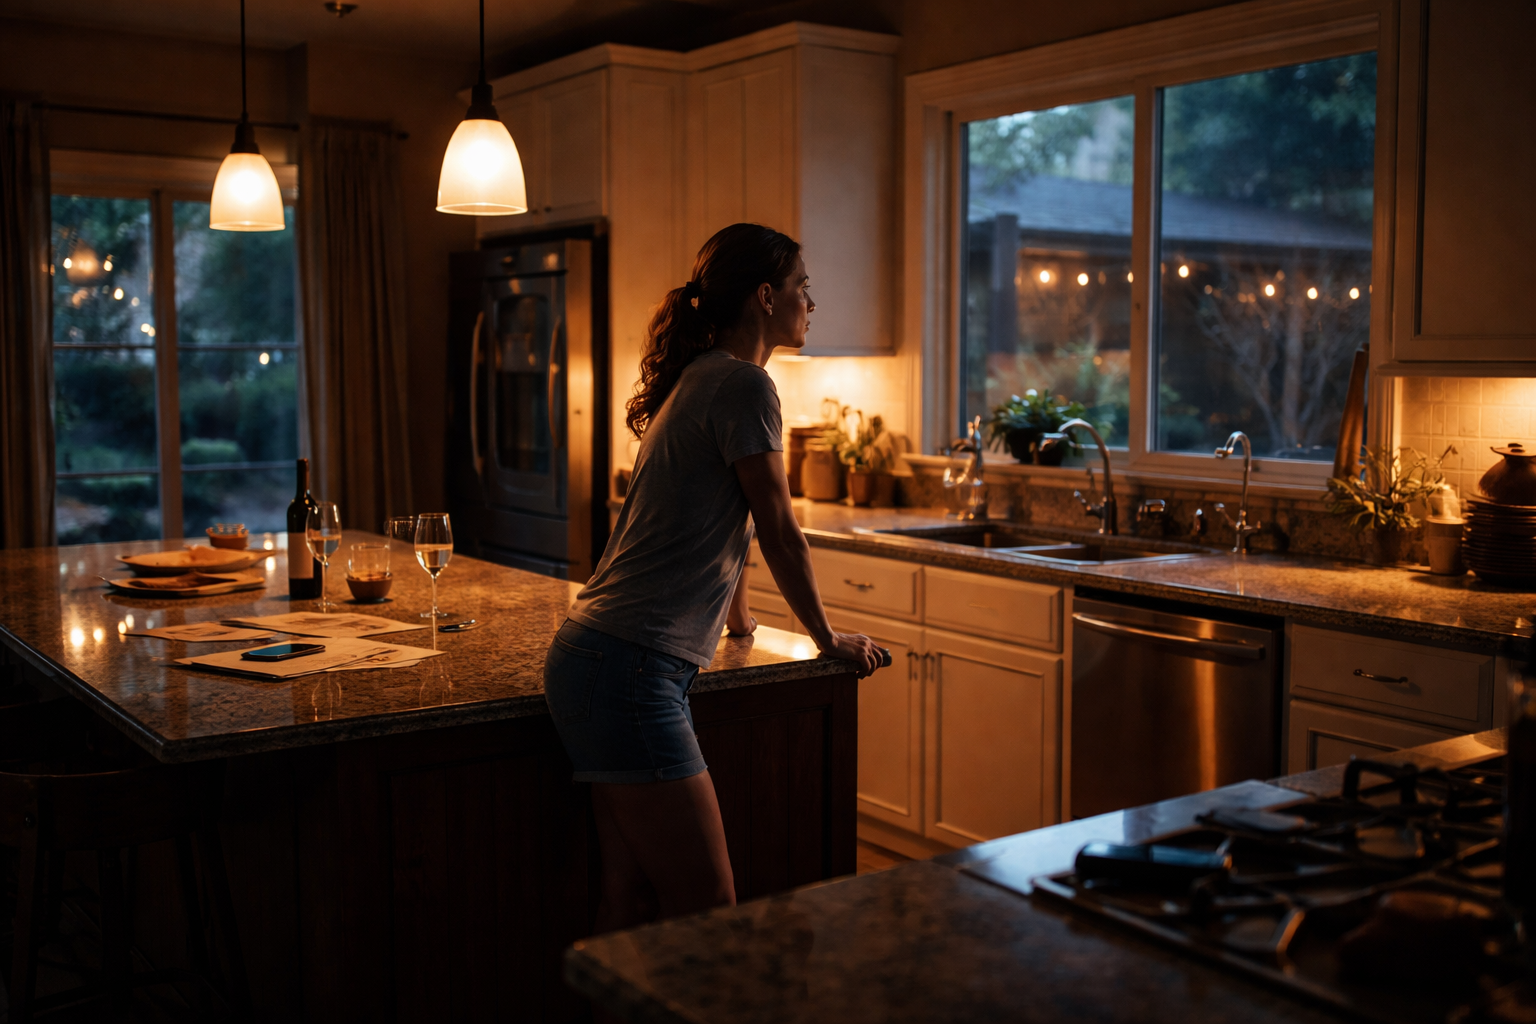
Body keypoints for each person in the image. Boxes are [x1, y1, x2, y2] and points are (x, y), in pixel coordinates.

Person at [543, 222, 883, 933]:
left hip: (592, 654)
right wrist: (826, 639)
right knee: (710, 914)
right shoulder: (745, 384)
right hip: (633, 668)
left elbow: (718, 517)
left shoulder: (700, 379)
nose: (809, 304)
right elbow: (780, 529)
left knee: (630, 903)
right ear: (766, 297)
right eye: (802, 289)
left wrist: (740, 619)